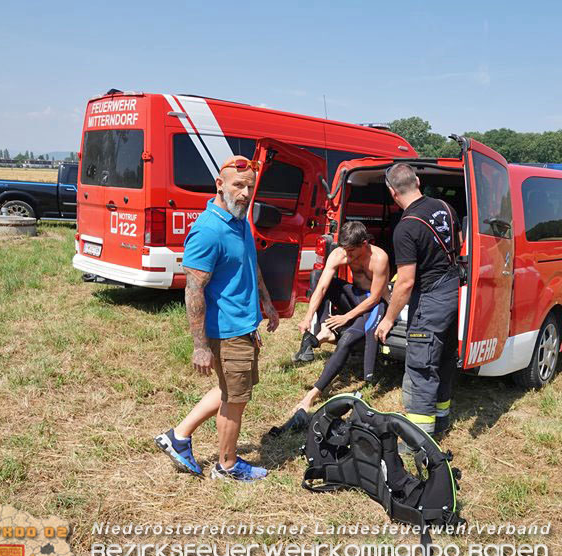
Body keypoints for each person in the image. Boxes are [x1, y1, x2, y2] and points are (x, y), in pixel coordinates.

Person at [155, 156, 279, 481]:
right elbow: (193, 289)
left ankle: (178, 436)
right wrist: (200, 347)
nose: (245, 193)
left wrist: (266, 305)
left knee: (229, 391)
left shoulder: (240, 221)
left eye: (250, 186)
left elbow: (250, 266)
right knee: (236, 400)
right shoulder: (208, 231)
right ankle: (227, 466)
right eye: (238, 185)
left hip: (243, 325)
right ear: (219, 185)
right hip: (226, 331)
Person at [375, 163, 462, 438]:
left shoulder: (406, 228)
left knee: (421, 368)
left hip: (429, 301)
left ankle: (419, 438)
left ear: (392, 192)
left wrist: (388, 319)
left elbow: (406, 281)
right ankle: (442, 418)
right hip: (451, 294)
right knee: (444, 359)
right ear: (418, 181)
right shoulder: (445, 208)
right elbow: (458, 246)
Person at [289, 221, 390, 416]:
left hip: (375, 304)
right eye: (345, 249)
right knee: (329, 283)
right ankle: (325, 330)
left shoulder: (379, 258)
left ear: (365, 244)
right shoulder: (340, 253)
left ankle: (312, 395)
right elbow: (323, 287)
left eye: (352, 251)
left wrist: (346, 317)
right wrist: (308, 317)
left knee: (347, 340)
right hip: (357, 296)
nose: (347, 255)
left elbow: (376, 298)